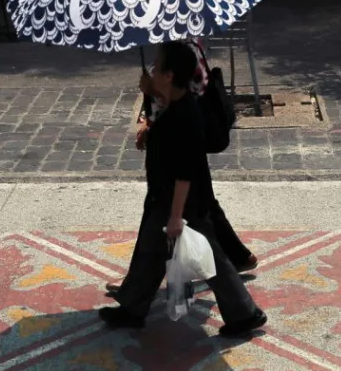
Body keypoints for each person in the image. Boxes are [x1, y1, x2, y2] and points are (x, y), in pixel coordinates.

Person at [99, 42, 268, 338]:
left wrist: (176, 217)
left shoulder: (185, 115)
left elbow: (185, 172)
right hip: (165, 195)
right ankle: (132, 308)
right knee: (151, 249)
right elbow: (163, 117)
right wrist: (150, 92)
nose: (152, 67)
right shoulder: (175, 101)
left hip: (182, 200)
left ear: (169, 74)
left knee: (211, 255)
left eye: (157, 64)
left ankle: (244, 313)